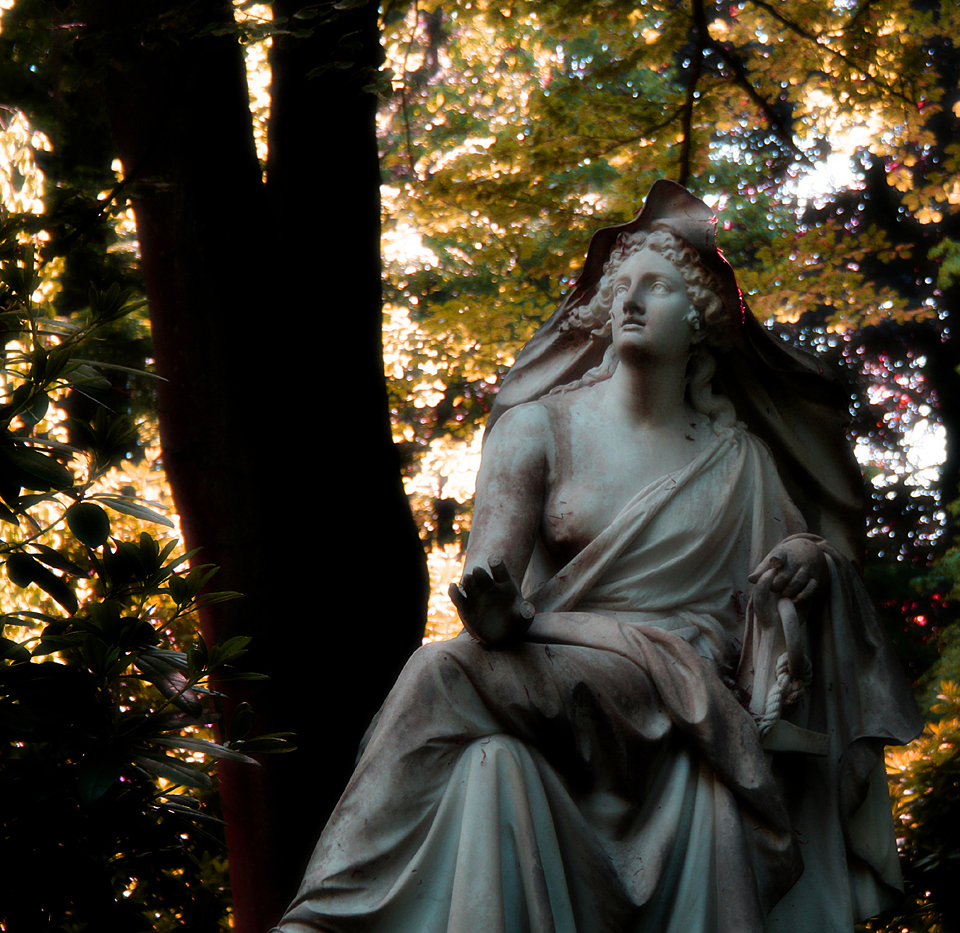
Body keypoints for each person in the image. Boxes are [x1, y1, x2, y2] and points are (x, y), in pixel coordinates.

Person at [274, 181, 922, 933]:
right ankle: (331, 907)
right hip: (563, 667)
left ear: (704, 324)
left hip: (683, 683)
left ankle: (326, 912)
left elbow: (790, 584)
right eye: (622, 288)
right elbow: (492, 577)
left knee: (438, 671)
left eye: (659, 289)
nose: (631, 302)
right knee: (448, 669)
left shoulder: (740, 461)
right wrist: (493, 609)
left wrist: (812, 559)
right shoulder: (537, 428)